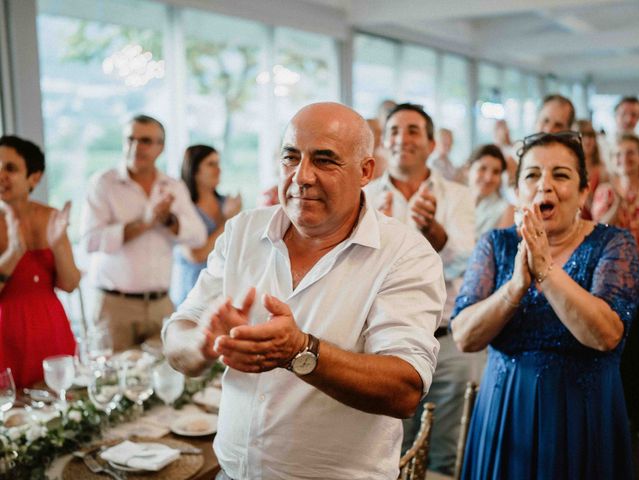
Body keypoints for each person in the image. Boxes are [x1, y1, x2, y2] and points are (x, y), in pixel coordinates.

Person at [163, 102, 446, 480]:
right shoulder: (242, 232)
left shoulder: (405, 254)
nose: (301, 176)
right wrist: (202, 342)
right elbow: (175, 336)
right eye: (290, 158)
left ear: (365, 171)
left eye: (325, 160)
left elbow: (404, 389)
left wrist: (301, 351)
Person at [451, 131, 639, 479]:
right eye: (532, 175)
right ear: (518, 189)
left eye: (561, 175)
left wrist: (546, 272)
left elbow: (607, 334)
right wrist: (516, 287)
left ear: (584, 191)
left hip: (583, 417)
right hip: (504, 413)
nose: (545, 185)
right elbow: (464, 336)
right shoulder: (496, 244)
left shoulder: (613, 243)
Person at [365, 103, 475, 475]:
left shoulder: (458, 195)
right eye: (394, 130)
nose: (402, 138)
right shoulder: (364, 197)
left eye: (413, 130)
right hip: (380, 342)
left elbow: (466, 262)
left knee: (445, 451)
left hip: (446, 341)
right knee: (383, 449)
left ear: (430, 143)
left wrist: (434, 232)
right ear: (384, 143)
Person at [81, 115, 206, 352]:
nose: (136, 147)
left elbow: (198, 235)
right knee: (112, 383)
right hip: (114, 306)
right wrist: (145, 223)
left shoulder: (172, 186)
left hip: (161, 304)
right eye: (131, 139)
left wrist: (169, 219)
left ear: (161, 147)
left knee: (167, 379)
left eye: (146, 141)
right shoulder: (103, 184)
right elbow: (90, 241)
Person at [0, 135, 80, 388]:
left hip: (50, 327)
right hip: (5, 333)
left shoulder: (50, 217)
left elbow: (69, 284)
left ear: (34, 177)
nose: (1, 174)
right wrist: (13, 254)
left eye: (10, 168)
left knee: (56, 404)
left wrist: (58, 246)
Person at [170, 145, 242, 306]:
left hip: (222, 295)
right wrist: (227, 220)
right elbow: (196, 255)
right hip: (191, 296)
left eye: (218, 163)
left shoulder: (225, 203)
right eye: (211, 164)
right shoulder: (183, 208)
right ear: (194, 170)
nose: (219, 170)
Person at [592, 134, 639, 249]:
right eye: (618, 154)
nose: (624, 158)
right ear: (612, 160)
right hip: (613, 260)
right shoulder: (605, 192)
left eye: (630, 153)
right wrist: (617, 205)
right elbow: (598, 232)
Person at [466, 144, 511, 237]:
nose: (488, 178)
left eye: (496, 172)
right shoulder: (452, 202)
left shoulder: (506, 210)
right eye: (482, 168)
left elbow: (497, 250)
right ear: (467, 169)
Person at [576, 119, 606, 219]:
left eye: (591, 136)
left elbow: (599, 209)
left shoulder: (602, 171)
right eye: (583, 136)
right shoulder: (567, 168)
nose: (588, 141)